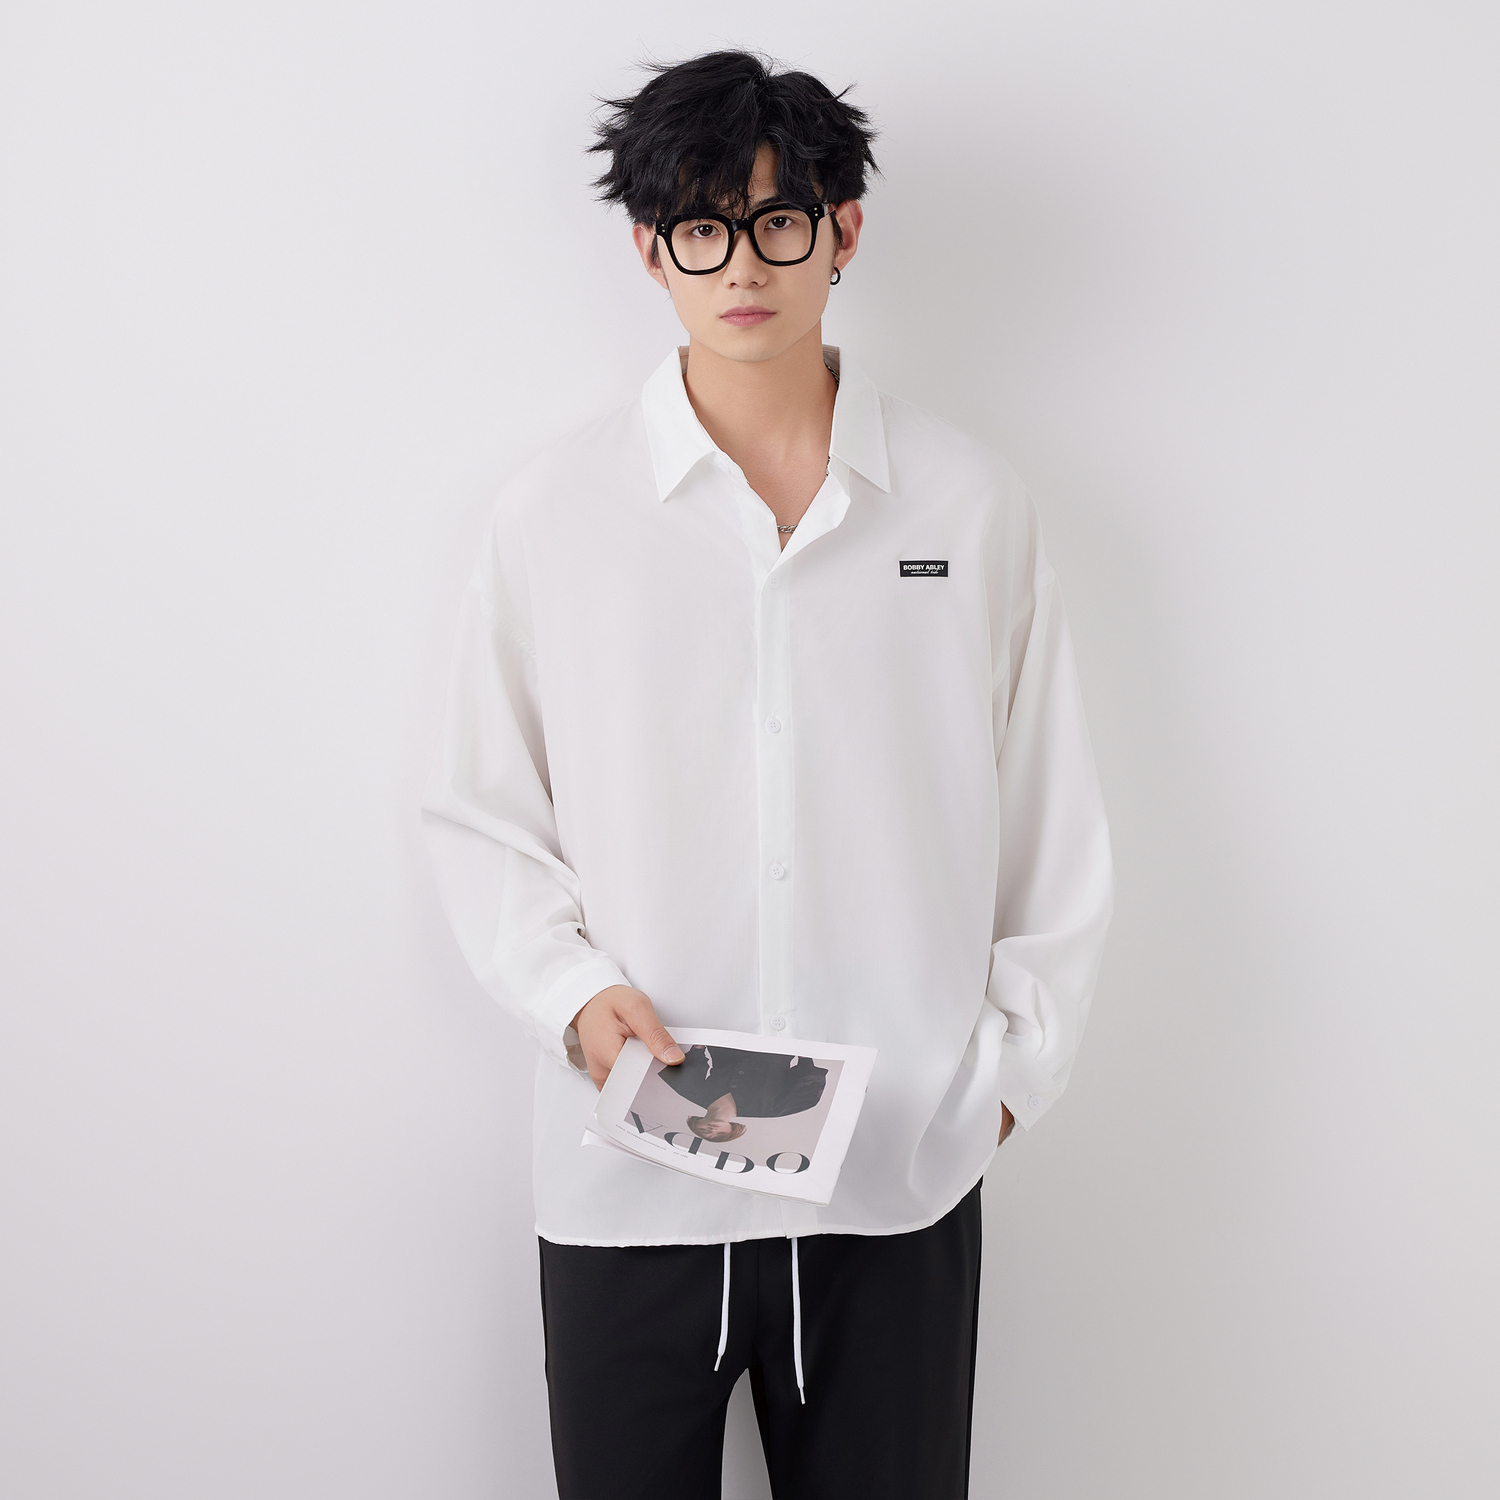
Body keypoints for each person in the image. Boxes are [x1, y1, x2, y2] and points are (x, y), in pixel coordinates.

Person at [420, 48, 1113, 1500]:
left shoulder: (969, 506)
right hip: (632, 1187)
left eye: (778, 221)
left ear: (843, 231)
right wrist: (568, 996)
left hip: (898, 1183)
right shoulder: (556, 515)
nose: (742, 264)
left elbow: (1052, 817)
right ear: (649, 250)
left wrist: (1001, 1084)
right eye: (701, 228)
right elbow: (483, 810)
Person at [660, 1043, 830, 1142]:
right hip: (776, 1047)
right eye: (719, 1134)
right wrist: (803, 1055)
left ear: (696, 1122)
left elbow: (689, 1066)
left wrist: (699, 1046)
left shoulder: (692, 1094)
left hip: (728, 1042)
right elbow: (806, 1090)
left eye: (704, 1131)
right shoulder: (768, 1111)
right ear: (731, 1130)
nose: (712, 1130)